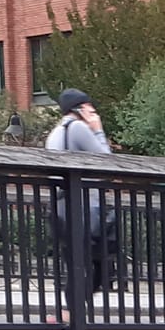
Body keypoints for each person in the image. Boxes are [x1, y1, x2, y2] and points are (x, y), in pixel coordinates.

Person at [45, 88, 116, 304]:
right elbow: (108, 162)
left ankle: (72, 319)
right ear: (80, 109)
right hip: (84, 208)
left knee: (78, 265)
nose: (93, 110)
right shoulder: (77, 128)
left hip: (63, 208)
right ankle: (71, 318)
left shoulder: (56, 132)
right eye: (89, 106)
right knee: (98, 266)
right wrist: (98, 130)